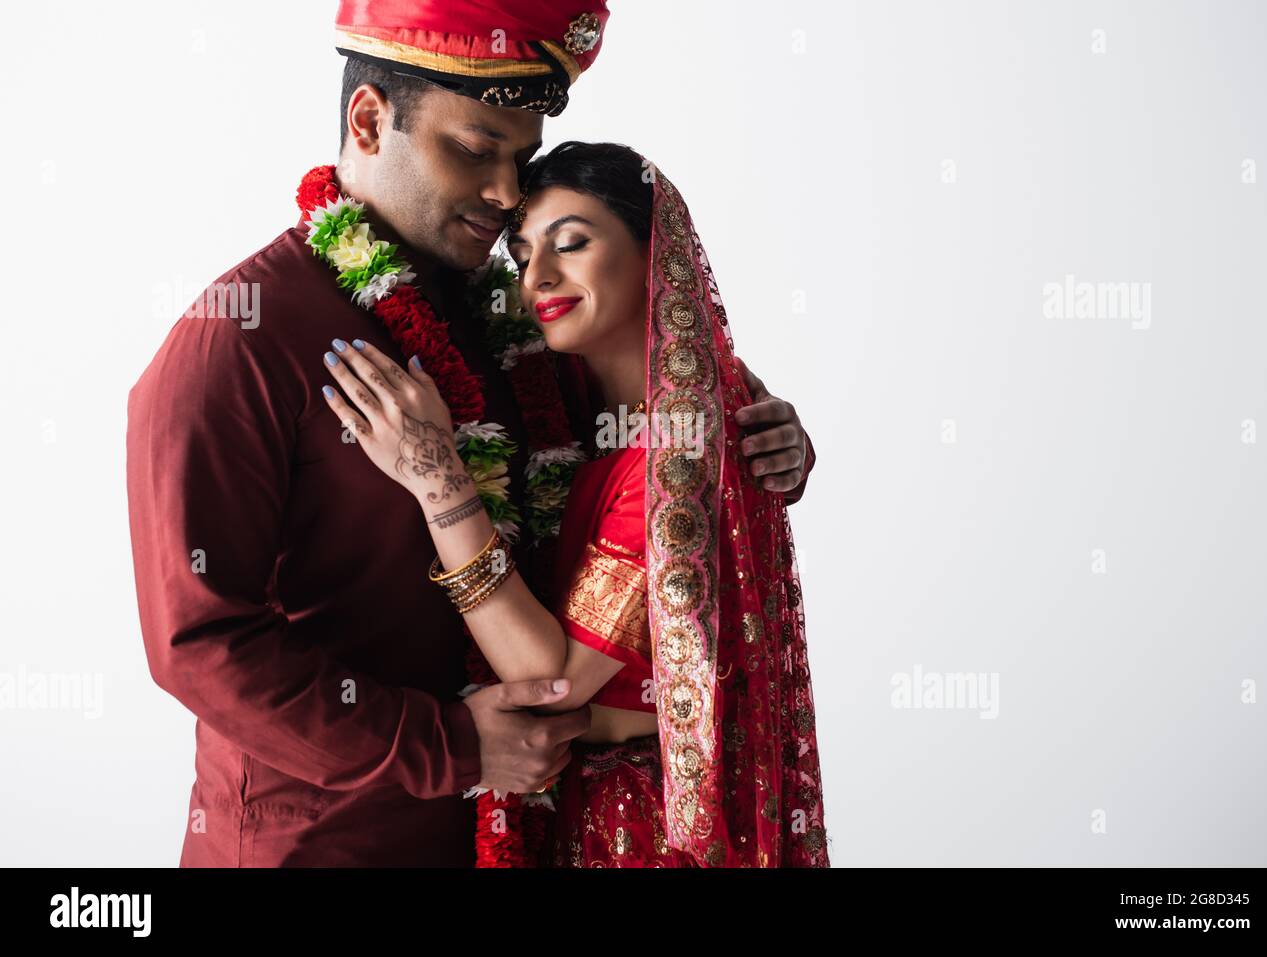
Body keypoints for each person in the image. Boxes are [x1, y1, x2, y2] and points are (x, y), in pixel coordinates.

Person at [126, 1, 816, 866]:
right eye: (474, 148)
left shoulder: (511, 319)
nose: (503, 193)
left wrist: (765, 437)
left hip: (523, 836)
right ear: (370, 120)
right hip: (321, 845)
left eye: (520, 160)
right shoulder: (240, 338)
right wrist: (453, 745)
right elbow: (200, 644)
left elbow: (649, 430)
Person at [318, 142, 829, 866]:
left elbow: (552, 681)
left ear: (660, 252)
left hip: (638, 829)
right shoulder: (600, 403)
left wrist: (439, 482)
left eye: (572, 243)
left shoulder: (673, 446)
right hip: (589, 806)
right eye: (523, 254)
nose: (538, 279)